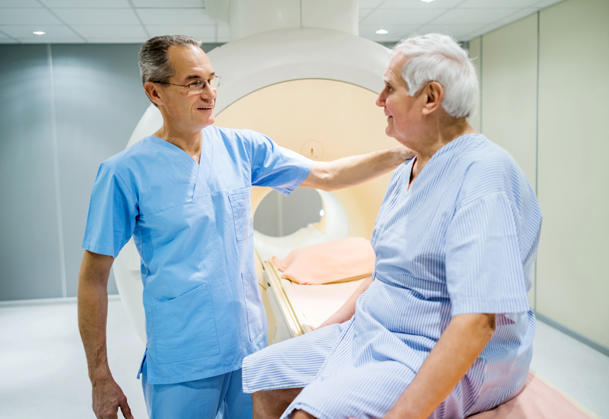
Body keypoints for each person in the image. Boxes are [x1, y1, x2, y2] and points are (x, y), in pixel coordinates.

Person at [77, 35, 413, 419]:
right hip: (181, 362)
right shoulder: (124, 173)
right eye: (194, 83)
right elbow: (93, 278)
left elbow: (328, 173)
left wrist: (405, 150)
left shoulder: (242, 148)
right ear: (155, 92)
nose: (209, 92)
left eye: (211, 79)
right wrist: (100, 376)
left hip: (247, 354)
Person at [242, 33, 542, 419]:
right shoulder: (408, 169)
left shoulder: (483, 177)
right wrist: (327, 328)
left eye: (390, 88)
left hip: (430, 348)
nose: (379, 100)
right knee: (266, 377)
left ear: (431, 98)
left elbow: (478, 322)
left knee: (310, 415)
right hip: (375, 331)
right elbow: (386, 271)